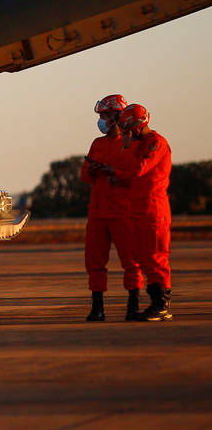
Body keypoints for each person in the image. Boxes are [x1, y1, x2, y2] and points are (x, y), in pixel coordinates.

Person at [79, 94, 142, 321]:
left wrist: (114, 172)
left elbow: (138, 175)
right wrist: (94, 170)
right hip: (97, 212)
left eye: (105, 116)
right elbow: (85, 176)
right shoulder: (97, 144)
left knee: (131, 261)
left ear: (117, 116)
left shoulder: (132, 145)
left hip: (123, 211)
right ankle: (98, 308)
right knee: (94, 262)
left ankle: (133, 305)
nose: (102, 120)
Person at [114, 103, 174, 322]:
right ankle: (156, 302)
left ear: (137, 125)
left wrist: (128, 148)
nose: (127, 133)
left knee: (156, 256)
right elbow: (129, 170)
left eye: (128, 129)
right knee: (143, 257)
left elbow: (139, 169)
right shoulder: (141, 143)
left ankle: (162, 304)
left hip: (154, 208)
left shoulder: (156, 143)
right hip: (139, 208)